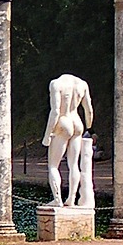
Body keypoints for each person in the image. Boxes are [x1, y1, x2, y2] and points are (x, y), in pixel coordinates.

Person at [42, 74, 94, 207]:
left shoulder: (56, 84)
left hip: (63, 122)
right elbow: (89, 110)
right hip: (77, 121)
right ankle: (71, 198)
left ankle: (57, 199)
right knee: (73, 164)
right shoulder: (82, 84)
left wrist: (47, 135)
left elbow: (55, 112)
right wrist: (88, 126)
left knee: (53, 165)